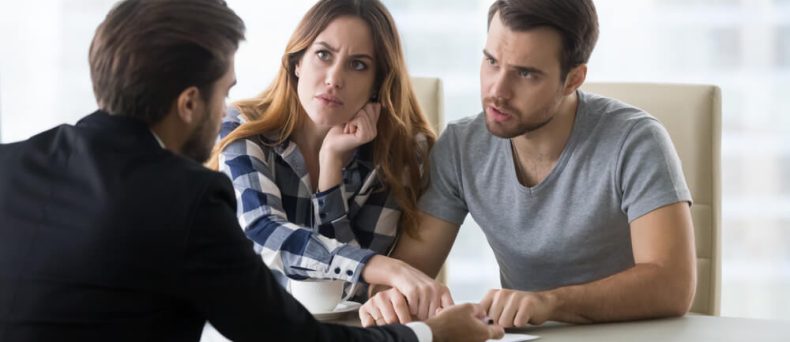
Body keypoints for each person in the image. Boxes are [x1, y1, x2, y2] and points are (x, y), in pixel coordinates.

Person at [0, 0, 505, 341]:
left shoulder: (9, 163)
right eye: (225, 88)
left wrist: (330, 172)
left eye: (358, 65)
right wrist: (432, 333)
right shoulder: (190, 196)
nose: (227, 106)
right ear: (190, 103)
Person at [362, 0, 697, 328]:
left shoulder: (635, 141)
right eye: (491, 61)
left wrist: (550, 302)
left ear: (573, 79)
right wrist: (390, 298)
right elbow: (407, 273)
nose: (498, 91)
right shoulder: (462, 147)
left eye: (525, 73)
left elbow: (672, 286)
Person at [209, 0, 451, 326]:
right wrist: (384, 266)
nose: (334, 78)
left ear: (377, 84)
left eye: (358, 65)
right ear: (298, 62)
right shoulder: (242, 126)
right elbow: (263, 231)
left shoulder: (399, 153)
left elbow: (351, 291)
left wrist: (330, 170)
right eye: (324, 55)